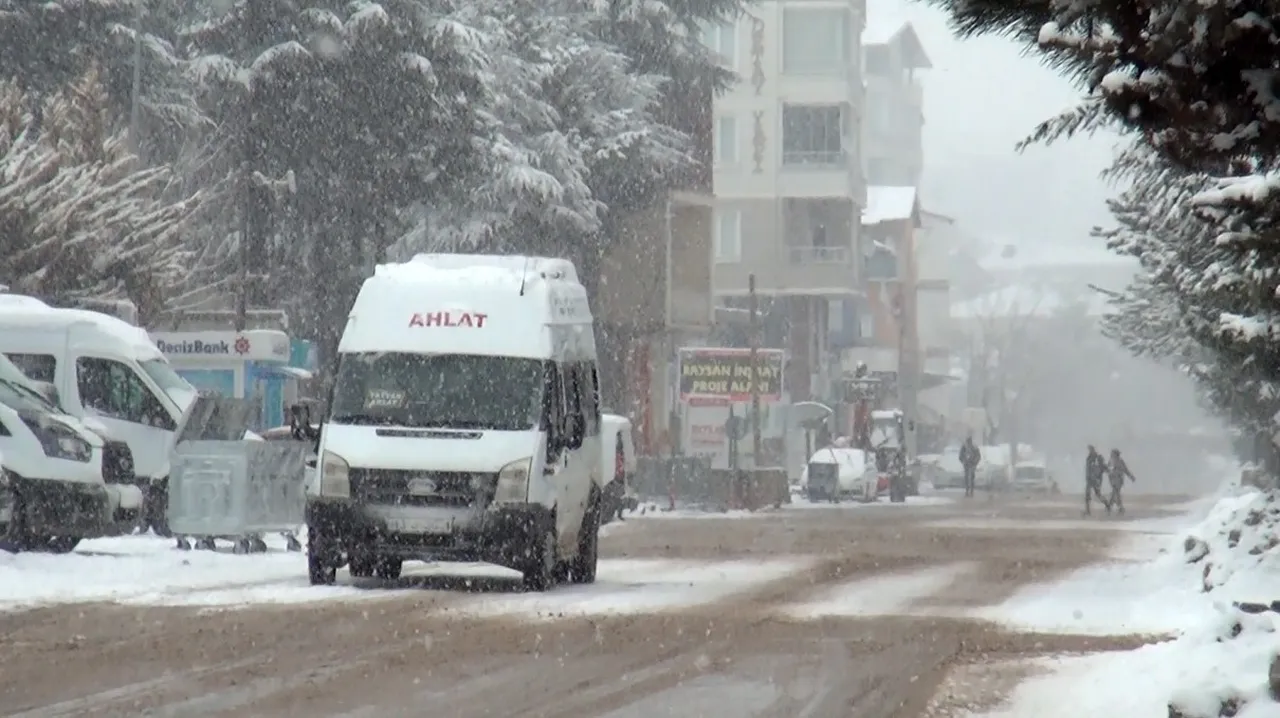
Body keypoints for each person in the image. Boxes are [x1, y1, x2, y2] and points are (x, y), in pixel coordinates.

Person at [1106, 448, 1136, 515]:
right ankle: (1120, 508)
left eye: (1113, 453)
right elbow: (1107, 469)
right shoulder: (1110, 461)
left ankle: (1110, 507)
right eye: (1111, 453)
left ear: (1116, 454)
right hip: (1112, 480)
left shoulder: (1120, 461)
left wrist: (1131, 477)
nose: (1111, 455)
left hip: (1119, 480)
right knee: (1116, 494)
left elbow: (1125, 470)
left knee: (1114, 493)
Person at [1084, 445, 1108, 516]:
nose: (1090, 451)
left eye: (1091, 449)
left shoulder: (1098, 458)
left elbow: (1103, 467)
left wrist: (1107, 471)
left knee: (1098, 495)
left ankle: (1107, 504)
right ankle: (1087, 511)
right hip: (1089, 479)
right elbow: (1088, 469)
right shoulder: (1089, 458)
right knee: (1087, 495)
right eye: (1089, 449)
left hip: (1095, 479)